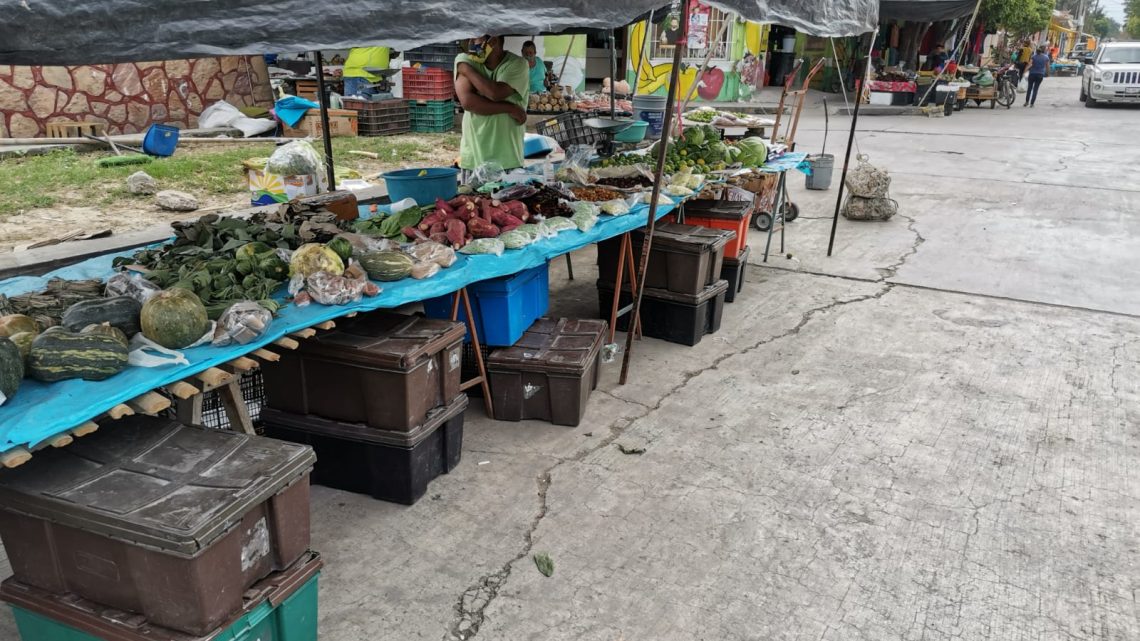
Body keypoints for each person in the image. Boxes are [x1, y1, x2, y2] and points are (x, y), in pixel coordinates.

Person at [454, 35, 530, 172]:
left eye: (476, 39)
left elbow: (495, 93)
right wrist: (510, 108)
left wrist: (467, 71)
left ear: (493, 41)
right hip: (473, 157)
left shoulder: (517, 64)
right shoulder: (464, 60)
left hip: (507, 158)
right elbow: (468, 102)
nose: (471, 43)